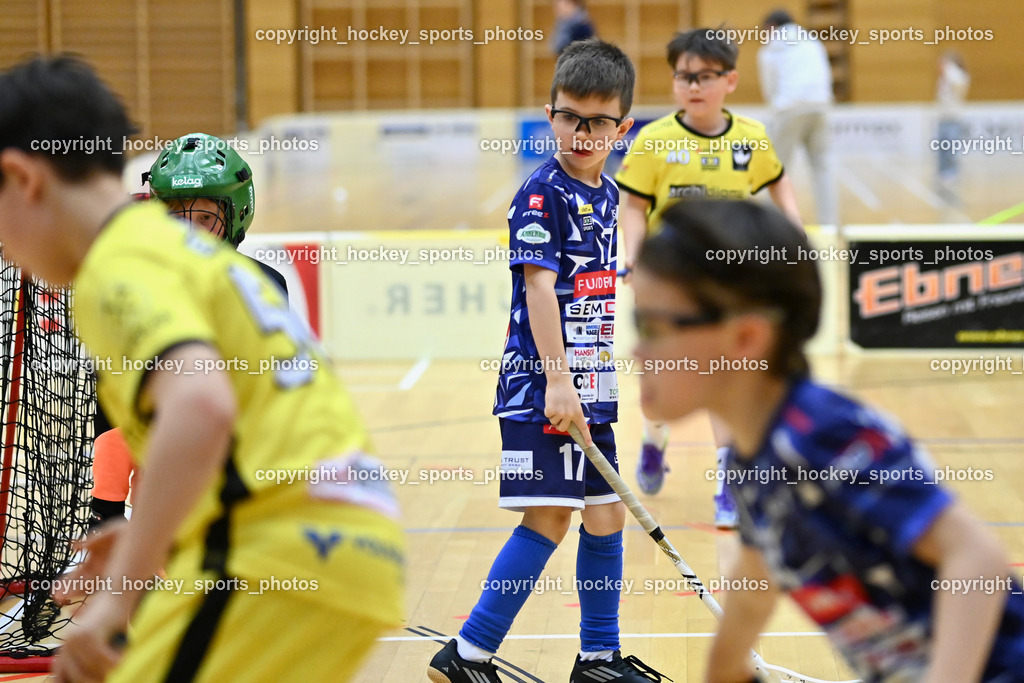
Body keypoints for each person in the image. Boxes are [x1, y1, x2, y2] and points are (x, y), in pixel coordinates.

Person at [0, 54, 404, 682]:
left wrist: (126, 583)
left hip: (270, 552)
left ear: (21, 179)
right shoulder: (200, 261)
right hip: (337, 545)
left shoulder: (123, 266)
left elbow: (201, 407)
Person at [630, 198, 1024, 683]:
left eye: (651, 326)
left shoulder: (823, 435)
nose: (635, 349)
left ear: (746, 338)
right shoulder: (753, 456)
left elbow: (976, 560)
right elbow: (755, 584)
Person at [428, 40, 666, 683]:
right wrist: (558, 385)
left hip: (592, 384)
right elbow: (539, 289)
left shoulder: (612, 197)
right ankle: (468, 655)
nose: (582, 133)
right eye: (569, 117)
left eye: (598, 121)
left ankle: (597, 658)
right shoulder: (542, 195)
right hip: (545, 386)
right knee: (551, 516)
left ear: (624, 128)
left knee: (606, 510)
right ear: (549, 115)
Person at [614, 28, 801, 526]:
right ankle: (654, 444)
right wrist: (632, 258)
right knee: (663, 388)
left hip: (728, 282)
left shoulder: (752, 138)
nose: (692, 86)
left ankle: (726, 484)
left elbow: (781, 189)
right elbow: (632, 207)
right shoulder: (654, 141)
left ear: (731, 80)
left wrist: (794, 238)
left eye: (703, 77)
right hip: (665, 282)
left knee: (724, 378)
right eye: (682, 77)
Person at [89, 132, 290, 530]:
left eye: (205, 219)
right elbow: (113, 415)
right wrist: (107, 516)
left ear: (235, 217)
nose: (190, 233)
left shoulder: (265, 288)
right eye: (178, 217)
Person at [758, 9, 837, 227]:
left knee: (776, 170)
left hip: (789, 107)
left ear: (772, 26)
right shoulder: (812, 42)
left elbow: (770, 87)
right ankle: (829, 225)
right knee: (823, 168)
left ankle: (771, 226)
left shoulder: (770, 49)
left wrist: (777, 109)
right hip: (820, 105)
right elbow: (825, 74)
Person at [935, 51, 970, 204]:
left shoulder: (957, 75)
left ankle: (952, 173)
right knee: (942, 147)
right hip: (943, 118)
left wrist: (949, 70)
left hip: (953, 118)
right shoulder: (943, 79)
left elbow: (959, 85)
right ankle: (943, 173)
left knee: (951, 147)